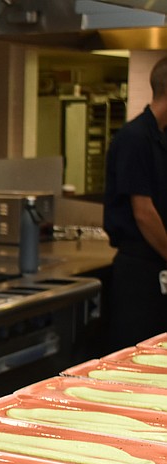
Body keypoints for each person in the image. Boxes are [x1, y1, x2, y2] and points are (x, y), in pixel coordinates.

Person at [104, 56, 167, 349]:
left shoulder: (159, 137)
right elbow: (143, 212)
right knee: (136, 354)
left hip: (157, 266)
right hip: (139, 272)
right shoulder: (135, 138)